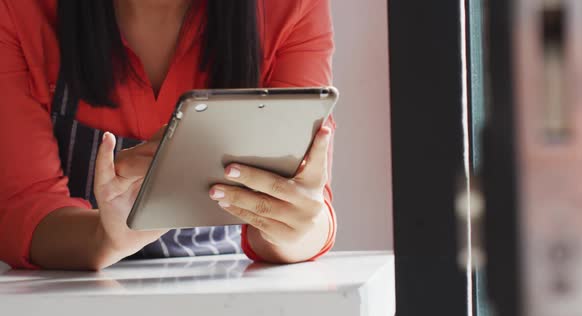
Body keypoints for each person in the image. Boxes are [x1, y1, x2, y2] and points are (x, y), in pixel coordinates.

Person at [0, 0, 337, 270]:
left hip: (234, 302)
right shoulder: (19, 10)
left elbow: (306, 205)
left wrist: (298, 225)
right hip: (64, 308)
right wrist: (105, 236)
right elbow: (22, 210)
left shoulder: (292, 7)